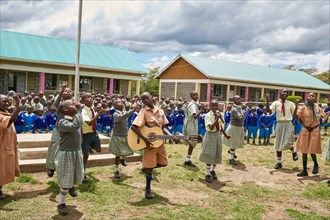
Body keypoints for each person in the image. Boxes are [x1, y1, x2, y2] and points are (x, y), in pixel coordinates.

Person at [131, 92, 175, 199]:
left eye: (147, 98)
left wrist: (170, 135)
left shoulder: (160, 111)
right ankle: (147, 189)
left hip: (160, 143)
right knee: (150, 168)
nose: (146, 101)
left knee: (163, 163)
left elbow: (163, 126)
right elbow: (134, 127)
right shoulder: (144, 112)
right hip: (149, 144)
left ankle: (147, 167)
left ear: (152, 98)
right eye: (143, 100)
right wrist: (145, 140)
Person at [55, 100, 84, 215]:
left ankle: (71, 185)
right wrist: (79, 111)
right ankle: (61, 203)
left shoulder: (73, 118)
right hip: (66, 154)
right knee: (65, 179)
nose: (75, 105)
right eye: (72, 104)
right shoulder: (62, 122)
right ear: (65, 109)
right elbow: (76, 125)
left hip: (76, 152)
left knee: (75, 173)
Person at [198, 100, 230, 183]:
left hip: (217, 135)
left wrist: (225, 135)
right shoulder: (207, 116)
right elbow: (211, 128)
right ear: (210, 106)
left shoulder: (219, 114)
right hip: (210, 135)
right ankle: (207, 174)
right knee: (209, 153)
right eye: (213, 106)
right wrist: (216, 118)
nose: (215, 107)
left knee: (216, 153)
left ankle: (212, 170)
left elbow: (220, 126)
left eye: (216, 106)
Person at [293, 93, 325, 176]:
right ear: (306, 98)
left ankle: (316, 165)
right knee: (304, 149)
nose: (311, 97)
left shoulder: (317, 107)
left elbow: (322, 116)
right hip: (305, 130)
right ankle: (304, 170)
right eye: (309, 96)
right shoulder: (303, 108)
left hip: (315, 130)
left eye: (313, 96)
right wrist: (296, 106)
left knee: (312, 149)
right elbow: (297, 117)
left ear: (315, 98)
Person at [266, 89, 298, 169]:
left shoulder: (290, 103)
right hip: (280, 123)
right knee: (278, 143)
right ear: (279, 94)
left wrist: (297, 105)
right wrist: (267, 101)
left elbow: (295, 113)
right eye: (283, 92)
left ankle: (293, 151)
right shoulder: (276, 103)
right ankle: (279, 162)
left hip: (288, 123)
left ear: (288, 95)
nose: (285, 93)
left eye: (286, 93)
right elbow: (269, 111)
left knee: (288, 141)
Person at [46, 84, 72, 177]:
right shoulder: (59, 103)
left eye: (69, 91)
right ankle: (51, 167)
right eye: (66, 91)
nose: (67, 92)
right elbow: (54, 105)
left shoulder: (74, 103)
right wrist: (62, 90)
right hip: (59, 129)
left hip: (70, 130)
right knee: (54, 147)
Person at [81, 93, 108, 183]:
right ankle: (83, 174)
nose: (91, 99)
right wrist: (99, 114)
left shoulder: (92, 108)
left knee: (99, 150)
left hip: (94, 133)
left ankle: (89, 147)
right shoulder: (83, 111)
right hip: (86, 135)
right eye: (88, 98)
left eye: (91, 97)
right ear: (83, 100)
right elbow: (89, 123)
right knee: (85, 156)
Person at [0, 93, 20, 199]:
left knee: (3, 170)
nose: (7, 103)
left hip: (6, 148)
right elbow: (10, 120)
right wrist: (18, 104)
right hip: (1, 149)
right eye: (4, 101)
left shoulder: (5, 113)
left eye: (8, 101)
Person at [108, 98, 135, 179]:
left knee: (126, 149)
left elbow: (126, 115)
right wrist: (133, 110)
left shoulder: (124, 112)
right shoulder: (115, 114)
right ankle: (116, 170)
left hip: (125, 135)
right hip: (117, 136)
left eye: (121, 101)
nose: (121, 103)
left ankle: (122, 159)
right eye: (119, 102)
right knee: (117, 154)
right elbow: (123, 117)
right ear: (115, 105)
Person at [223, 95, 247, 165]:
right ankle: (231, 158)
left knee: (236, 142)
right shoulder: (234, 109)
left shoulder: (238, 107)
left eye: (240, 99)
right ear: (234, 101)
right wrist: (245, 110)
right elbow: (241, 118)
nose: (239, 100)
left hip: (239, 127)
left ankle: (231, 152)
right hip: (234, 127)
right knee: (233, 142)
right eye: (237, 99)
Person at [183, 91, 201, 167]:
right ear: (191, 96)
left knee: (191, 141)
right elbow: (195, 116)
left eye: (197, 94)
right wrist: (201, 111)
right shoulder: (192, 105)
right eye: (194, 95)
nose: (196, 96)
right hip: (191, 124)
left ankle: (187, 159)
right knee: (192, 141)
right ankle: (187, 160)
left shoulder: (193, 104)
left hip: (190, 123)